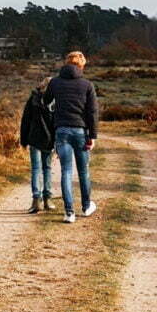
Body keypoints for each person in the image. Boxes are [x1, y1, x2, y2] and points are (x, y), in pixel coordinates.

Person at [45, 51, 99, 224]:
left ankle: (69, 213)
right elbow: (92, 112)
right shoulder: (87, 85)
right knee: (83, 171)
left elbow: (46, 101)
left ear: (66, 63)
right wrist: (93, 135)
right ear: (81, 65)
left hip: (61, 130)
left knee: (66, 171)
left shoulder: (55, 82)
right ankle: (86, 206)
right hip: (81, 131)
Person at [18, 78, 55, 213]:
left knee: (36, 169)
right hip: (49, 140)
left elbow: (25, 120)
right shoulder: (55, 101)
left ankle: (36, 200)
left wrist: (23, 140)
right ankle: (47, 199)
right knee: (47, 168)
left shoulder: (33, 99)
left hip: (34, 138)